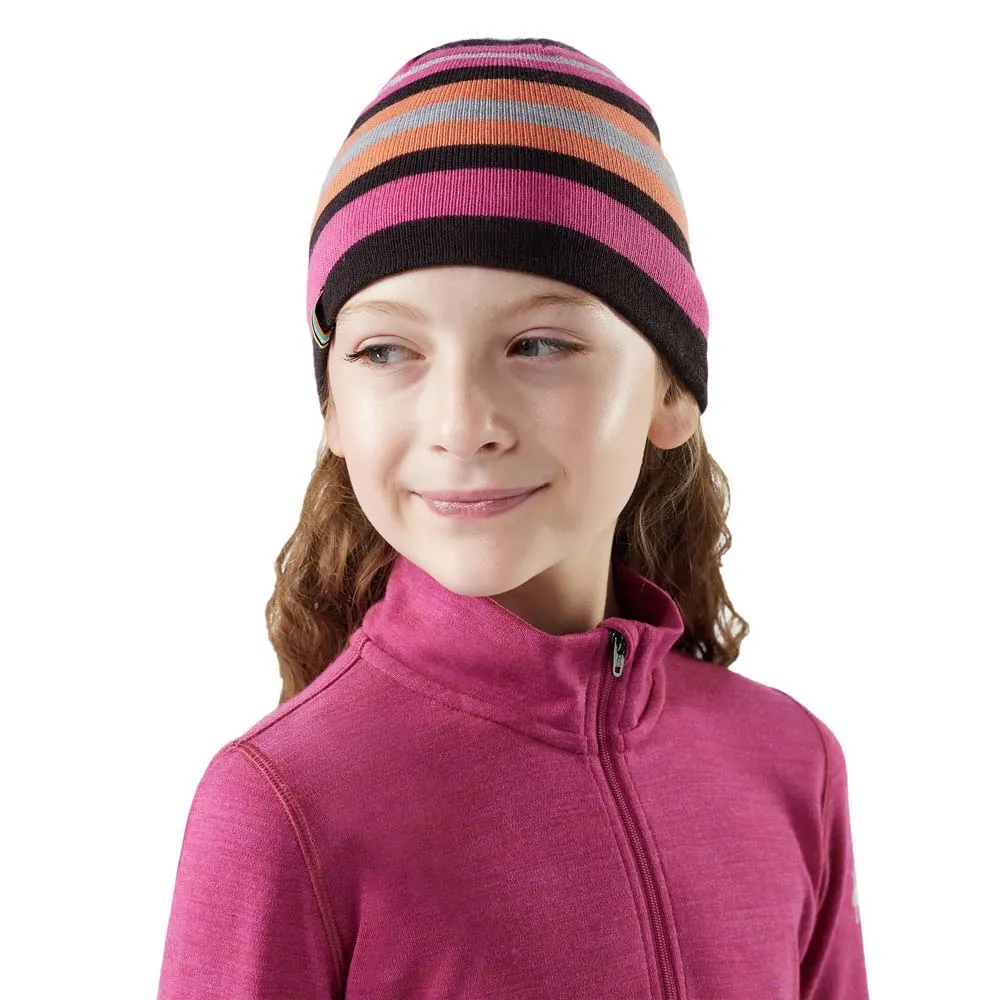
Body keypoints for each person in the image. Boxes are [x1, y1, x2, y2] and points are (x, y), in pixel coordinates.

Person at [156, 36, 870, 999]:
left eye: (537, 344)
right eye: (386, 351)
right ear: (332, 409)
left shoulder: (788, 764)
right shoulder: (281, 807)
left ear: (671, 390)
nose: (462, 424)